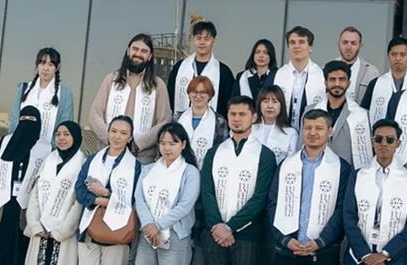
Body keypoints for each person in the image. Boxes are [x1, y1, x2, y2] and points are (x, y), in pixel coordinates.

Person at [199, 96, 278, 265]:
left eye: (242, 114)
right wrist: (217, 226)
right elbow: (207, 192)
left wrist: (230, 227)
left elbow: (260, 197)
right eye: (232, 114)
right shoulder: (214, 153)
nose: (236, 119)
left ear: (254, 117)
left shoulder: (265, 155)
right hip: (214, 232)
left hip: (247, 235)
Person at [268, 110, 350, 263]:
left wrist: (321, 241)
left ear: (330, 131)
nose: (312, 133)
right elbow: (273, 203)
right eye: (307, 128)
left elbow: (342, 209)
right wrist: (284, 239)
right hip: (287, 250)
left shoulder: (342, 168)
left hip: (324, 251)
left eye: (319, 128)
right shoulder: (286, 165)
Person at [343, 120, 407, 265]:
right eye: (379, 139)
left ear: (398, 144)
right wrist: (365, 255)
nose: (384, 143)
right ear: (372, 142)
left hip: (396, 256)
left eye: (390, 139)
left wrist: (385, 254)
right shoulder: (358, 175)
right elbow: (348, 217)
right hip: (359, 254)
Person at [0, 107, 49, 265]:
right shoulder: (6, 141)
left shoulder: (45, 148)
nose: (27, 123)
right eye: (23, 119)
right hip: (0, 208)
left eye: (31, 120)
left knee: (18, 255)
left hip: (24, 211)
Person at [86, 33, 171, 162]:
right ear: (128, 50)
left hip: (141, 158)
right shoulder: (111, 79)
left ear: (150, 56)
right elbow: (94, 115)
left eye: (144, 51)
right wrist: (111, 138)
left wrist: (138, 144)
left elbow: (164, 121)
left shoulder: (157, 85)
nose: (138, 54)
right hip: (107, 155)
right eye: (135, 49)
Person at [74, 116, 141, 265]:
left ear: (130, 138)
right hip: (90, 229)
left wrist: (105, 193)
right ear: (108, 133)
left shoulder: (135, 167)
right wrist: (97, 200)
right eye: (114, 131)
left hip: (118, 232)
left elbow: (133, 200)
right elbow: (80, 189)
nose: (117, 136)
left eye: (123, 133)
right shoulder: (93, 160)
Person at [135, 123, 202, 265]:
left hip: (175, 235)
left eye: (172, 143)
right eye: (163, 143)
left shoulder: (190, 172)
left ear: (183, 144)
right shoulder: (148, 170)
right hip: (147, 233)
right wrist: (148, 224)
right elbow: (139, 199)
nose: (166, 148)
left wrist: (158, 226)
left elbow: (185, 206)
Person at [23, 121, 86, 265]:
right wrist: (35, 225)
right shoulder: (49, 160)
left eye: (66, 134)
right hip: (41, 230)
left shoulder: (82, 164)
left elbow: (78, 204)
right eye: (58, 134)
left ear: (75, 137)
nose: (61, 138)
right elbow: (35, 194)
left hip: (63, 235)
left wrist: (62, 231)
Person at [168, 20, 238, 117]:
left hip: (213, 124)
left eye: (207, 39)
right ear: (192, 39)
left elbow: (229, 103)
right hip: (181, 123)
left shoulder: (223, 72)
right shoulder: (179, 67)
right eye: (198, 38)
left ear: (214, 41)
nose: (202, 42)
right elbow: (170, 96)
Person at [16, 48, 75, 146]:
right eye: (42, 63)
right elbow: (14, 120)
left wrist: (51, 148)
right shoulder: (23, 89)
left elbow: (65, 127)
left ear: (57, 67)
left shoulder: (65, 94)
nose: (46, 68)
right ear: (37, 65)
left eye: (50, 64)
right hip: (20, 146)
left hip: (48, 150)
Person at [324, 60, 374, 167]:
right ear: (325, 83)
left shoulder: (361, 115)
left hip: (347, 173)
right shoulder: (310, 111)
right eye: (332, 79)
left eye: (342, 79)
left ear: (348, 83)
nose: (337, 84)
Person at [275, 26, 327, 125]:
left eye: (301, 42)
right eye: (292, 42)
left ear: (310, 48)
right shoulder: (277, 75)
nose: (296, 46)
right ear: (288, 47)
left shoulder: (322, 75)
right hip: (282, 129)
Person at [178, 75, 227, 165]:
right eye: (194, 92)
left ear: (210, 95)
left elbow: (221, 151)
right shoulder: (177, 118)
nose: (198, 96)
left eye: (203, 92)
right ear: (189, 94)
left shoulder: (219, 121)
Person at [365, 37, 407, 125]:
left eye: (402, 55)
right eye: (394, 54)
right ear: (388, 56)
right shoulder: (375, 83)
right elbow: (364, 112)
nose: (398, 58)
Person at [253, 85, 299, 164]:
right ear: (259, 104)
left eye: (275, 102)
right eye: (265, 101)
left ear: (281, 105)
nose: (270, 106)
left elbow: (291, 163)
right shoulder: (250, 129)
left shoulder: (291, 133)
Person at [338, 27, 381, 105]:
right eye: (345, 42)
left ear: (360, 46)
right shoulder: (327, 69)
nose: (348, 47)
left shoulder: (372, 72)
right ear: (338, 44)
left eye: (353, 43)